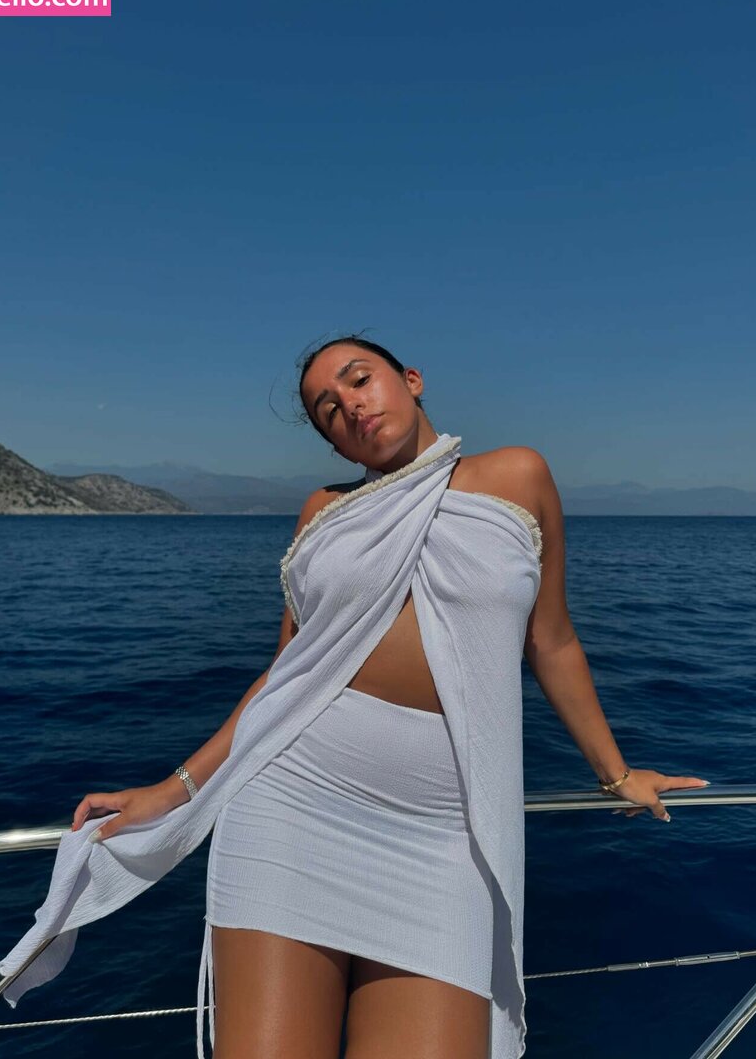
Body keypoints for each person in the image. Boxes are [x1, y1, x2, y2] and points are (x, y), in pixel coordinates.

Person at [61, 334, 707, 1059]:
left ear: (412, 379)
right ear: (334, 445)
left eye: (359, 380)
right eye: (327, 410)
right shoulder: (324, 511)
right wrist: (174, 790)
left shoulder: (518, 475)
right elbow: (286, 675)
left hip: (447, 831)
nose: (349, 405)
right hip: (294, 804)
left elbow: (551, 642)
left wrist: (616, 773)